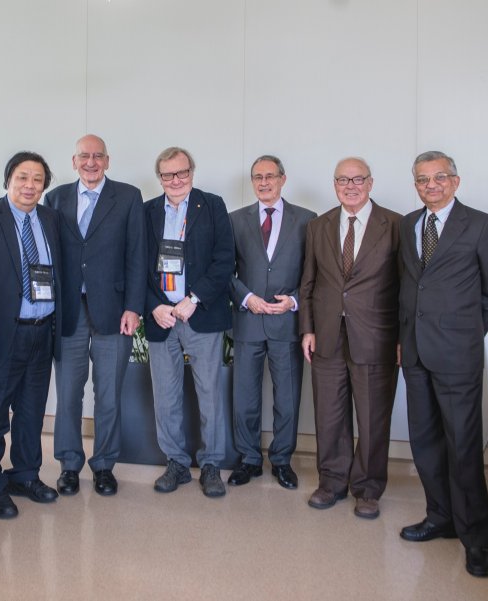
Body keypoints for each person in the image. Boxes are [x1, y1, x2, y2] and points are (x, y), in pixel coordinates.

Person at [397, 151, 488, 578]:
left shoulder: (480, 225)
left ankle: (477, 538)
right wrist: (406, 336)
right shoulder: (409, 225)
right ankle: (439, 517)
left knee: (462, 448)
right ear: (416, 186)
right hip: (416, 352)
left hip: (456, 354)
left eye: (440, 177)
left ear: (456, 181)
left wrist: (466, 331)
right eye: (423, 180)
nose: (431, 185)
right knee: (425, 442)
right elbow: (408, 285)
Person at [44, 134, 146, 497]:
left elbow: (137, 255)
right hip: (69, 312)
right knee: (68, 394)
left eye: (97, 156)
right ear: (73, 162)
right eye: (84, 156)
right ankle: (69, 465)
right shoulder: (55, 198)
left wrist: (134, 307)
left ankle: (104, 465)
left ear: (107, 160)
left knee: (108, 394)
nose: (91, 162)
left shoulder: (129, 197)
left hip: (114, 311)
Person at [299, 157, 400, 519]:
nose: (350, 185)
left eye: (358, 179)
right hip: (326, 335)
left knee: (373, 416)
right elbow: (307, 283)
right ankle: (331, 482)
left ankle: (368, 488)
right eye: (343, 180)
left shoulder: (395, 226)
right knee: (329, 414)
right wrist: (307, 328)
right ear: (335, 184)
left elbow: (405, 289)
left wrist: (402, 337)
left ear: (371, 183)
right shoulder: (318, 225)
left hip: (376, 337)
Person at [0, 151, 62, 519]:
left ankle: (25, 474)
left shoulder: (51, 219)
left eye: (37, 179)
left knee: (31, 411)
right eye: (22, 177)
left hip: (42, 331)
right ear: (8, 180)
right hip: (2, 333)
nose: (29, 186)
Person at [143, 147, 235, 497]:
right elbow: (136, 263)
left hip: (200, 313)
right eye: (168, 175)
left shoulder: (212, 206)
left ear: (192, 173)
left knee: (209, 394)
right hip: (161, 317)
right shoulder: (147, 211)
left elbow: (224, 259)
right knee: (165, 397)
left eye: (182, 173)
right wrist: (154, 306)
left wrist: (193, 299)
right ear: (160, 178)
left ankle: (210, 464)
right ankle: (177, 463)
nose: (176, 180)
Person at [228, 155, 316, 490]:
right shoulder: (235, 220)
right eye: (257, 177)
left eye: (270, 176)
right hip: (248, 320)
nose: (264, 182)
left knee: (288, 398)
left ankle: (281, 460)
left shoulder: (307, 220)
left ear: (283, 179)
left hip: (287, 324)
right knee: (245, 397)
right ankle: (249, 459)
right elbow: (226, 270)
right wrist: (247, 297)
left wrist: (293, 300)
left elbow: (314, 272)